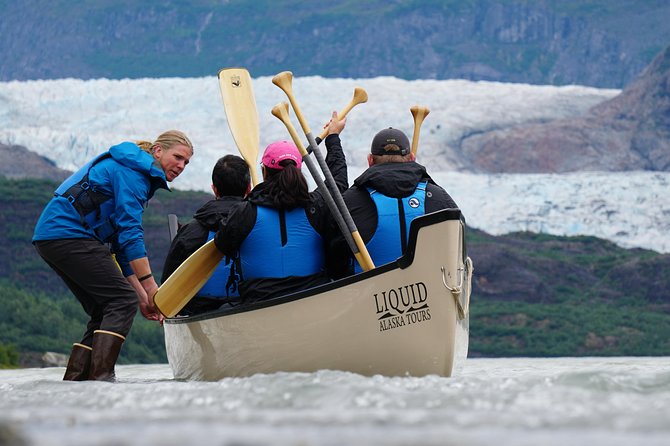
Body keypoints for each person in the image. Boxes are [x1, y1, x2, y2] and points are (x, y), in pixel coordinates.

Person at [32, 130, 193, 381]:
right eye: (178, 157)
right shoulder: (133, 174)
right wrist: (152, 288)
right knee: (120, 301)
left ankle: (78, 382)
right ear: (158, 151)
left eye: (187, 162)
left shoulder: (135, 171)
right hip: (68, 234)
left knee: (105, 307)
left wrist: (143, 297)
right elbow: (130, 233)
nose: (182, 166)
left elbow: (119, 243)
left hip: (53, 237)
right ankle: (102, 380)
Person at [213, 112, 347, 303]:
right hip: (313, 299)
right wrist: (333, 137)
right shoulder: (316, 206)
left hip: (259, 302)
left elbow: (222, 245)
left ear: (264, 171)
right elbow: (337, 182)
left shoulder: (245, 211)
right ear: (298, 171)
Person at [333, 127, 459, 276]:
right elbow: (456, 251)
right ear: (412, 158)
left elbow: (334, 259)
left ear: (370, 160)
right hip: (429, 291)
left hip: (367, 295)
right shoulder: (439, 197)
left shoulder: (350, 201)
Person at [161, 154, 251, 316]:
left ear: (214, 189)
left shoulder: (190, 231)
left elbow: (168, 283)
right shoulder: (259, 226)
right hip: (249, 306)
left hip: (201, 312)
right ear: (248, 189)